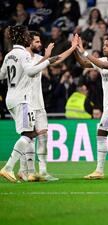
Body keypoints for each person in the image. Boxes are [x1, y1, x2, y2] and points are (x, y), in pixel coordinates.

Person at [17, 31, 79, 182]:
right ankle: (25, 170)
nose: (40, 44)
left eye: (40, 41)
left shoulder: (39, 58)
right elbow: (33, 69)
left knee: (43, 137)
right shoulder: (21, 57)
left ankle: (43, 171)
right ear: (28, 41)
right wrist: (46, 57)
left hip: (39, 104)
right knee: (29, 138)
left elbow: (57, 60)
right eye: (37, 42)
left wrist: (72, 48)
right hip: (26, 103)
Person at [0, 25, 59, 182]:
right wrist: (47, 62)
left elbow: (1, 75)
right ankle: (8, 168)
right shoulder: (23, 54)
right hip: (23, 99)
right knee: (30, 134)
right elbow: (30, 71)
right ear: (23, 37)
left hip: (10, 99)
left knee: (27, 134)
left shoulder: (9, 55)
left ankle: (24, 170)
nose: (28, 37)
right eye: (26, 35)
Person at [74, 36, 108, 180]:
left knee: (101, 133)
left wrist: (85, 52)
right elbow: (84, 64)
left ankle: (99, 170)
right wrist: (75, 50)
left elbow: (102, 66)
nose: (104, 47)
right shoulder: (104, 60)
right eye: (104, 45)